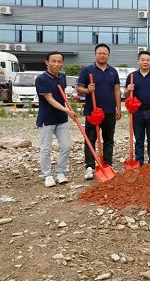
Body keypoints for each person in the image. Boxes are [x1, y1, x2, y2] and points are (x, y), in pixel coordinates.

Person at [77, 44, 121, 180]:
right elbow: (79, 89)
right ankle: (89, 166)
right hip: (92, 111)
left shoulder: (113, 71)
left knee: (108, 139)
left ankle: (107, 164)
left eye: (105, 53)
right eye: (99, 53)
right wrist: (87, 90)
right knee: (90, 139)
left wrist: (118, 107)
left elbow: (117, 90)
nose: (102, 55)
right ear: (95, 54)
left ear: (108, 55)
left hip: (109, 112)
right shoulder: (87, 71)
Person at [35, 51, 75, 187]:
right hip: (47, 119)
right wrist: (67, 110)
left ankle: (60, 172)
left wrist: (68, 108)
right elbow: (50, 99)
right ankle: (47, 175)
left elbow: (62, 96)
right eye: (54, 61)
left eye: (59, 61)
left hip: (61, 118)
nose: (57, 64)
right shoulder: (41, 79)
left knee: (66, 146)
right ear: (47, 62)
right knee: (45, 149)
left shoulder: (62, 77)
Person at [125, 51, 150, 165]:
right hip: (137, 111)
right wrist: (128, 89)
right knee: (139, 138)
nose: (145, 62)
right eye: (142, 59)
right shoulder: (132, 76)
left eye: (147, 60)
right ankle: (139, 162)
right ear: (138, 61)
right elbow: (126, 95)